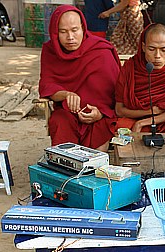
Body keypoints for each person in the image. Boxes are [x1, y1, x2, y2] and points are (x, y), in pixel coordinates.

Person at [39, 5, 121, 151]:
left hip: (100, 114)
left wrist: (100, 113)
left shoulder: (101, 51)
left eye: (74, 30)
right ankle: (65, 165)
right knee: (60, 121)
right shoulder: (50, 51)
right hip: (68, 112)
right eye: (63, 32)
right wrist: (66, 94)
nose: (70, 37)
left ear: (83, 27)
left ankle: (92, 169)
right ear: (55, 33)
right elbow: (47, 85)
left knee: (103, 127)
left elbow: (116, 93)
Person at [114, 23, 165, 133]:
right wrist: (150, 111)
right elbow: (119, 110)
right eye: (152, 49)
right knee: (121, 126)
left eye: (164, 50)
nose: (157, 56)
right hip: (137, 116)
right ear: (143, 47)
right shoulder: (130, 68)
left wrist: (143, 122)